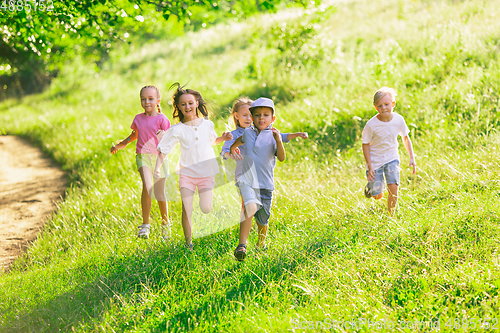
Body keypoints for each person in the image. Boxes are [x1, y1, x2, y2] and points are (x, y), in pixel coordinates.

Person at [154, 83, 232, 250]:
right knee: (186, 208)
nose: (187, 106)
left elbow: (212, 141)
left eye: (190, 103)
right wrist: (157, 167)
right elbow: (164, 149)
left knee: (205, 208)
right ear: (179, 107)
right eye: (183, 104)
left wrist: (223, 138)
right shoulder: (177, 129)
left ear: (197, 103)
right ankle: (188, 243)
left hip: (207, 172)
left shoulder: (207, 124)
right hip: (187, 173)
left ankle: (202, 212)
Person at [229, 97, 287, 261]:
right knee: (249, 208)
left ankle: (260, 243)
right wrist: (234, 147)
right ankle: (242, 245)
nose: (262, 118)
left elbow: (281, 158)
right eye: (258, 115)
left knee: (262, 219)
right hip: (248, 181)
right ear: (252, 118)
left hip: (266, 185)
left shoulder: (273, 136)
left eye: (266, 115)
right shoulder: (248, 132)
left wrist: (279, 142)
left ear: (272, 118)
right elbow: (241, 140)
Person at [110, 85, 171, 239]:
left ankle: (165, 224)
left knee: (159, 192)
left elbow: (170, 140)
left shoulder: (162, 119)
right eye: (143, 99)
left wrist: (164, 135)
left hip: (159, 158)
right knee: (147, 186)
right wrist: (121, 144)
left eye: (150, 99)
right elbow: (134, 134)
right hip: (142, 156)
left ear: (158, 100)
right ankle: (145, 225)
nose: (146, 102)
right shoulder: (138, 118)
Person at [221, 96, 308, 183]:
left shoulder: (261, 132)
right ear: (236, 116)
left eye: (251, 116)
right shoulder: (233, 135)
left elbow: (282, 136)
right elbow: (225, 151)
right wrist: (230, 154)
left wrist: (297, 134)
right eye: (244, 115)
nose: (248, 119)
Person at [362, 87, 416, 215]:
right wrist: (369, 165)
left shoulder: (399, 120)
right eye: (380, 106)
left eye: (386, 104)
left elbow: (405, 138)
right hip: (375, 162)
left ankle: (390, 216)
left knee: (393, 187)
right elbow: (365, 145)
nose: (384, 108)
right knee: (378, 195)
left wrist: (412, 157)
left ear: (393, 104)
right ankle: (371, 188)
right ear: (376, 108)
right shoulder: (371, 125)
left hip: (392, 158)